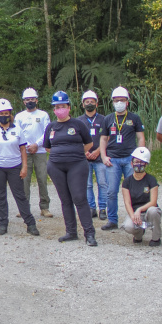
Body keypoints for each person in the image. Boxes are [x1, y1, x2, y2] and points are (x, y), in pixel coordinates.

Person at [43, 91, 96, 245]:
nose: (60, 109)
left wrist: (74, 153)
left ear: (69, 107)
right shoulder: (51, 127)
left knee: (79, 198)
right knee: (65, 200)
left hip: (77, 165)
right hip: (56, 166)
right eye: (57, 107)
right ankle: (71, 232)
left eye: (63, 106)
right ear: (54, 109)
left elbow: (89, 144)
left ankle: (89, 233)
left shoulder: (78, 124)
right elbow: (47, 147)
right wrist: (60, 154)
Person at [0, 99, 40, 236]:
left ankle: (30, 224)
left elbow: (23, 150)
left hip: (15, 166)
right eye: (1, 113)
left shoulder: (18, 129)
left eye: (6, 113)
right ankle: (3, 224)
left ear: (10, 114)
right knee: (0, 196)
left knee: (20, 195)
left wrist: (24, 167)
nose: (4, 116)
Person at [99, 86, 145, 231]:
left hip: (130, 159)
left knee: (134, 190)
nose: (119, 102)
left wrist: (139, 157)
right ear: (113, 102)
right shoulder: (108, 119)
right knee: (111, 191)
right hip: (113, 160)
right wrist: (103, 156)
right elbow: (103, 139)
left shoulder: (134, 118)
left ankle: (136, 218)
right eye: (116, 100)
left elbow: (140, 137)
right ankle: (112, 220)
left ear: (127, 102)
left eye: (122, 100)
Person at [16, 87, 52, 218]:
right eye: (27, 99)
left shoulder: (43, 115)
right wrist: (26, 145)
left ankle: (45, 207)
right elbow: (17, 133)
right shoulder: (19, 116)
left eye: (32, 99)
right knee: (24, 180)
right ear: (24, 101)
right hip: (25, 152)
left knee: (42, 179)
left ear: (36, 100)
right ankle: (24, 208)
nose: (30, 101)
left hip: (40, 151)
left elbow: (47, 132)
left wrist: (37, 144)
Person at [120, 147, 162, 246]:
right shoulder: (127, 181)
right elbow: (127, 203)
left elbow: (153, 202)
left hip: (148, 211)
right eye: (136, 162)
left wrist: (139, 209)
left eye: (142, 162)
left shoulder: (151, 180)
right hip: (135, 213)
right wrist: (133, 216)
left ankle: (156, 237)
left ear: (146, 164)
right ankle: (138, 234)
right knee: (128, 226)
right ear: (132, 163)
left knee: (154, 211)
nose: (139, 164)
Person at [81, 90, 107, 221]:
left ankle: (103, 208)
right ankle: (91, 208)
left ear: (96, 104)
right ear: (83, 104)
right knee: (87, 184)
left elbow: (107, 138)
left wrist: (98, 151)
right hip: (84, 158)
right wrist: (84, 151)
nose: (89, 104)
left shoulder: (104, 119)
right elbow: (77, 138)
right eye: (87, 102)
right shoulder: (79, 121)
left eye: (92, 101)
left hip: (100, 157)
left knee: (102, 183)